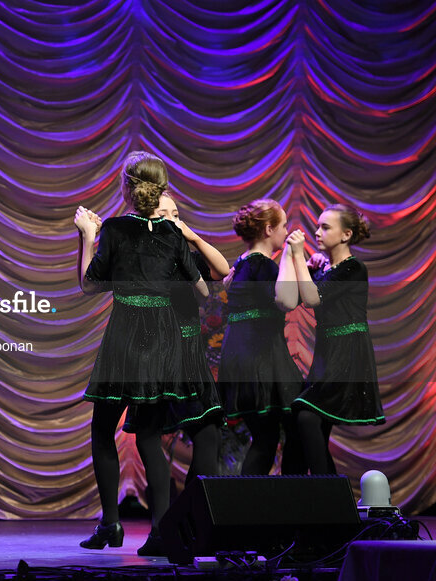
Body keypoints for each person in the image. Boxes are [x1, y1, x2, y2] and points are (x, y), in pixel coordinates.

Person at [74, 152, 205, 555]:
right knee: (148, 436)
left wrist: (87, 235)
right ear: (161, 189)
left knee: (102, 431)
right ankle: (161, 532)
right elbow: (201, 290)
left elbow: (90, 285)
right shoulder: (172, 233)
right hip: (163, 339)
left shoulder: (113, 229)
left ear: (126, 188)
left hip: (128, 335)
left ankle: (111, 525)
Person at [124, 192, 230, 498]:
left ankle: (189, 514)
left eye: (176, 214)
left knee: (207, 433)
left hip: (187, 355)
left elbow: (222, 270)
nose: (173, 219)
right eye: (164, 214)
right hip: (154, 354)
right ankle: (163, 522)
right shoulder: (141, 257)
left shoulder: (187, 254)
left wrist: (192, 237)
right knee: (148, 433)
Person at [291, 204, 384, 474]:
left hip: (348, 352)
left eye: (325, 227)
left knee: (306, 415)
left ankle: (329, 494)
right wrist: (307, 266)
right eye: (318, 226)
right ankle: (329, 496)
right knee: (314, 424)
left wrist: (298, 255)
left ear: (346, 235)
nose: (317, 232)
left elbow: (311, 298)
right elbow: (295, 297)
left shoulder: (353, 268)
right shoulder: (326, 269)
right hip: (327, 351)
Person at [218, 199, 305, 476]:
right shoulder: (264, 266)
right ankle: (289, 500)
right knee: (291, 429)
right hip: (263, 359)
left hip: (241, 359)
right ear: (269, 229)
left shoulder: (242, 264)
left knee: (266, 437)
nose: (285, 231)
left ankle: (255, 506)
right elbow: (287, 299)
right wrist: (297, 259)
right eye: (283, 226)